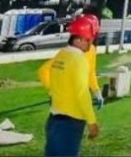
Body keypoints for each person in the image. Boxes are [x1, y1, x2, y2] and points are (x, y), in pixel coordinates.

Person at [37, 17, 99, 157]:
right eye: (88, 40)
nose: (90, 44)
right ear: (78, 40)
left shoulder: (62, 55)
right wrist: (92, 121)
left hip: (54, 119)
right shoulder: (78, 60)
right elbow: (82, 93)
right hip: (71, 122)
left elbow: (47, 75)